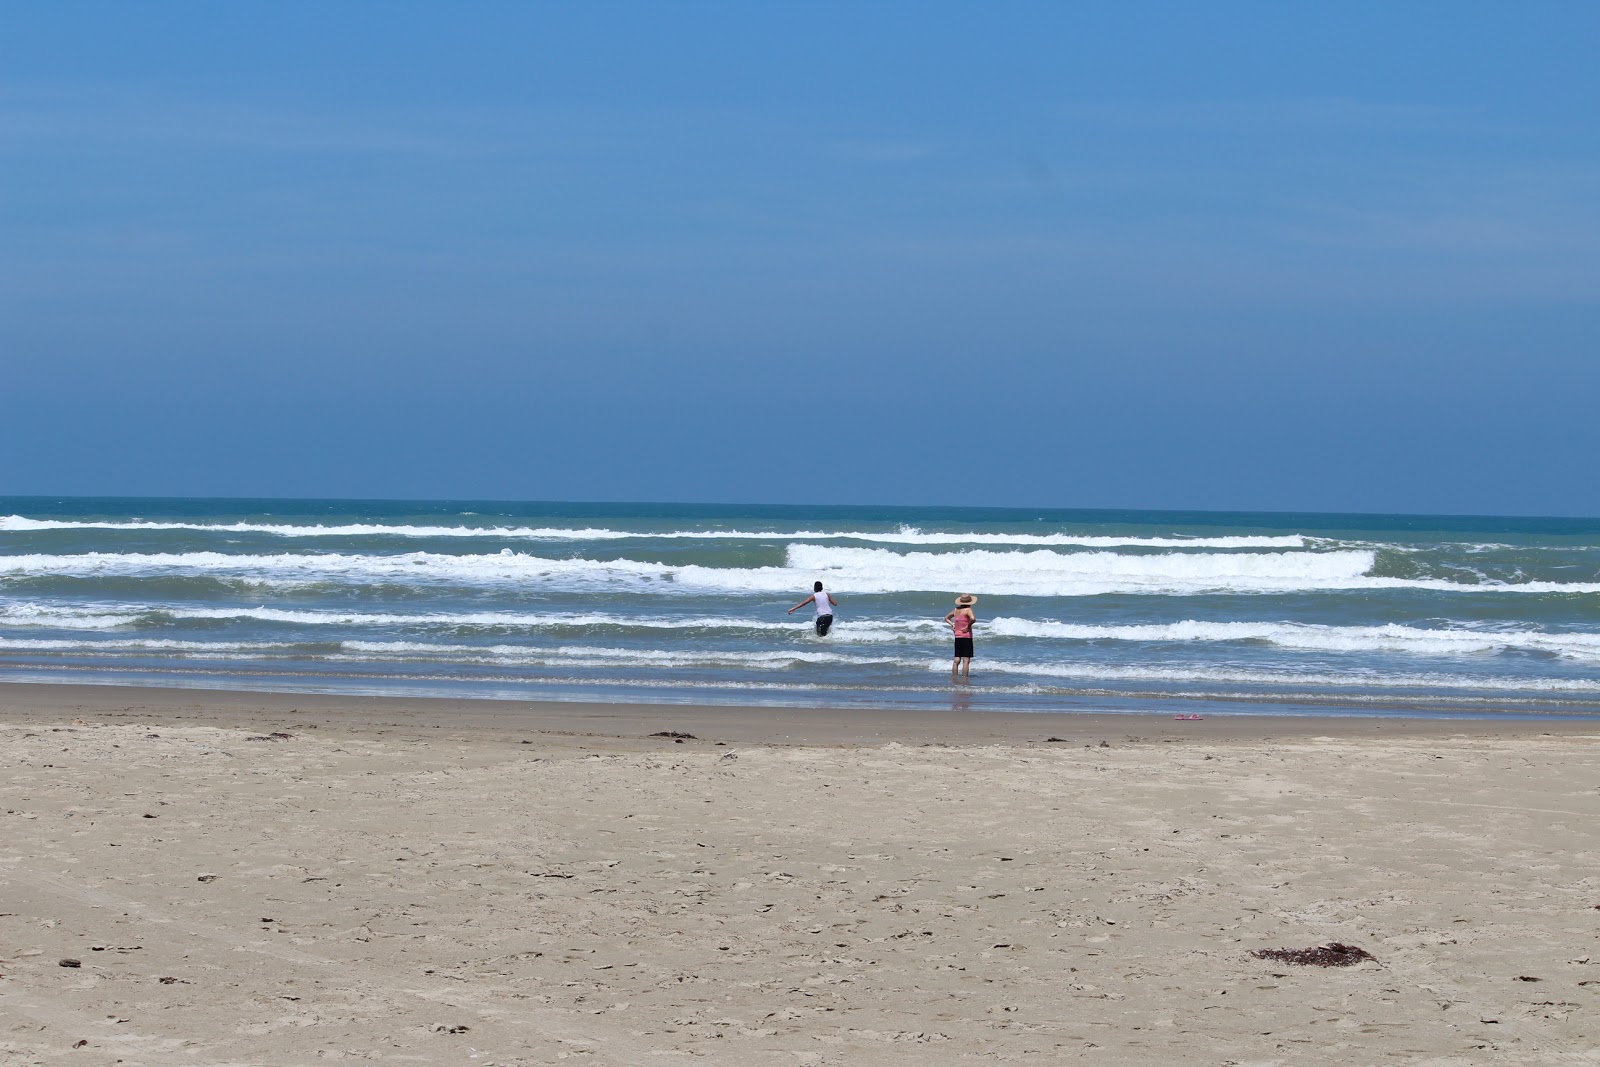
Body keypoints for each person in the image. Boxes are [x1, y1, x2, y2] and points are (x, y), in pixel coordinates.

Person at [945, 594, 977, 683]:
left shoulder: (956, 610)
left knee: (956, 659)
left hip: (957, 636)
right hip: (966, 636)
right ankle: (964, 679)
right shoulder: (968, 610)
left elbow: (946, 618)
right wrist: (968, 626)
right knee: (966, 660)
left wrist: (953, 624)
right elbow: (973, 619)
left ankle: (954, 678)